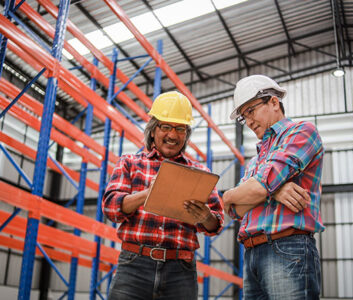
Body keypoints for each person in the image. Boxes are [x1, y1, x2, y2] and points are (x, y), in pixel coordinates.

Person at [103, 91, 224, 300]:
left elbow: (216, 224)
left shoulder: (199, 172)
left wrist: (205, 217)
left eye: (180, 128)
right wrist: (147, 194)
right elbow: (111, 208)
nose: (173, 135)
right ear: (152, 130)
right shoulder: (130, 163)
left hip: (180, 270)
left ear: (186, 134)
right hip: (134, 265)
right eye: (165, 126)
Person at [223, 74, 325, 299]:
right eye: (243, 117)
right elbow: (233, 210)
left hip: (288, 248)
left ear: (273, 102)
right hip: (251, 254)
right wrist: (274, 190)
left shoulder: (301, 132)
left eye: (251, 111)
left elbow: (256, 189)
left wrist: (236, 193)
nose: (248, 122)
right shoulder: (255, 161)